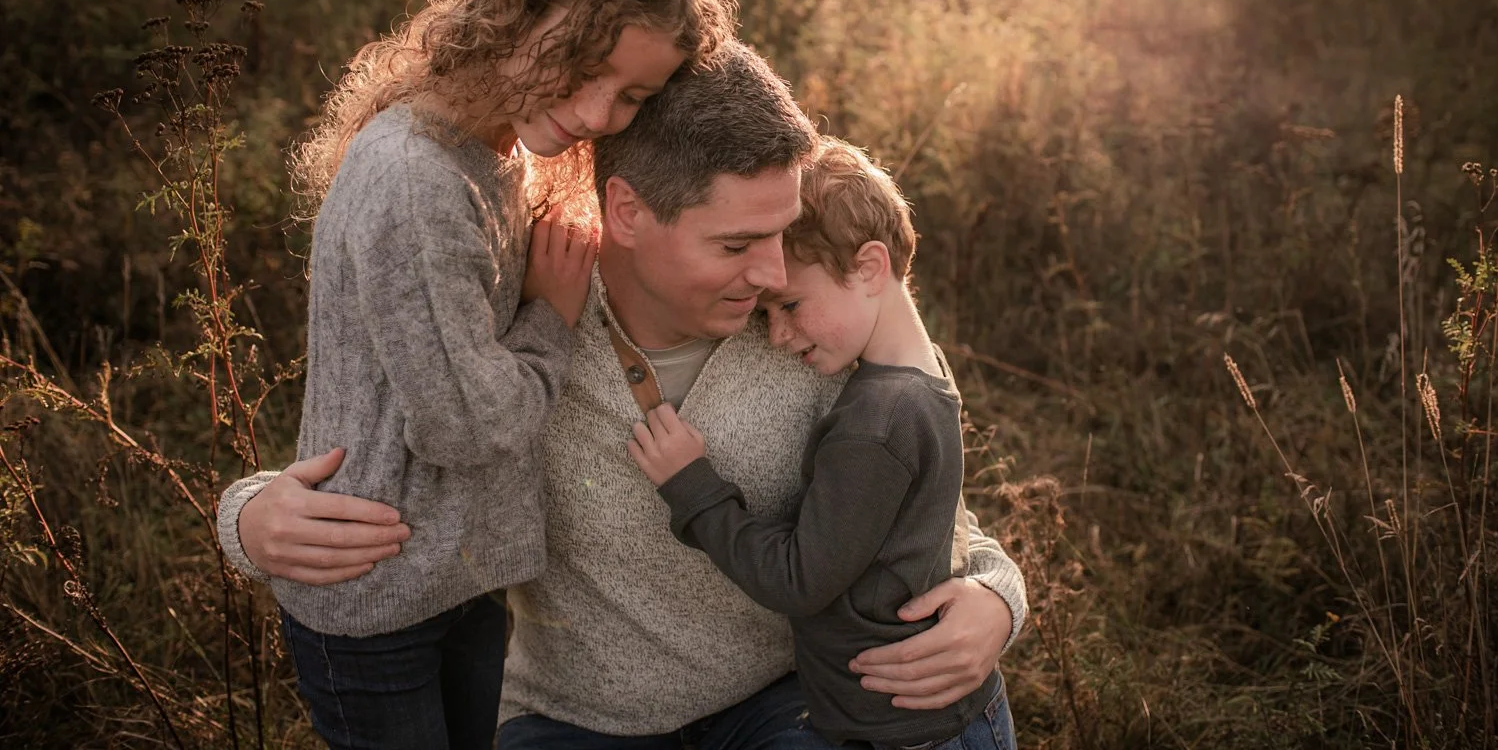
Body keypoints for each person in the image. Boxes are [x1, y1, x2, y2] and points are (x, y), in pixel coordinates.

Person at [218, 43, 1026, 750]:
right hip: (574, 719)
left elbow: (912, 487)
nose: (774, 270)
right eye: (738, 243)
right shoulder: (530, 314)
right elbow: (388, 434)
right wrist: (251, 517)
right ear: (628, 212)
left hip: (789, 701)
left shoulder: (803, 324)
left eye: (780, 235)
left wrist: (997, 593)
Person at [215, 0, 736, 750]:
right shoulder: (420, 182)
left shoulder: (500, 155)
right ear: (521, 11)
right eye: (585, 64)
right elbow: (466, 425)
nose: (599, 115)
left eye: (635, 96)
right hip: (378, 598)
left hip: (454, 578)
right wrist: (549, 319)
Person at [627, 135, 1017, 749]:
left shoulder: (876, 418)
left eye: (789, 305)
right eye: (764, 315)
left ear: (868, 267)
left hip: (912, 733)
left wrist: (693, 488)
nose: (778, 335)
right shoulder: (922, 376)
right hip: (922, 720)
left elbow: (798, 580)